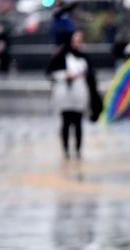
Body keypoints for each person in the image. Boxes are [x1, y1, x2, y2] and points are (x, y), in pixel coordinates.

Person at [46, 30, 101, 160]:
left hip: (80, 94)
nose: (77, 44)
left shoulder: (84, 57)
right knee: (65, 122)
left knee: (78, 123)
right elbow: (50, 72)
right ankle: (66, 151)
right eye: (75, 40)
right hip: (64, 95)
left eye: (80, 41)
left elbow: (91, 76)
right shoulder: (61, 56)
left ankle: (77, 150)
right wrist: (65, 75)